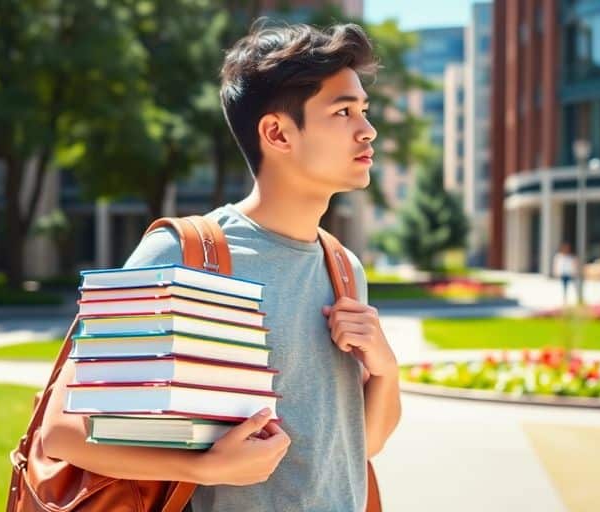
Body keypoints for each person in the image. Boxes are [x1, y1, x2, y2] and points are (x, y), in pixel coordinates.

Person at [40, 21, 401, 511]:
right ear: (277, 133)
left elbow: (362, 446)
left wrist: (385, 369)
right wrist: (202, 469)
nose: (367, 128)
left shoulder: (343, 267)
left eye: (363, 109)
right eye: (343, 111)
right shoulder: (183, 255)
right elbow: (62, 432)